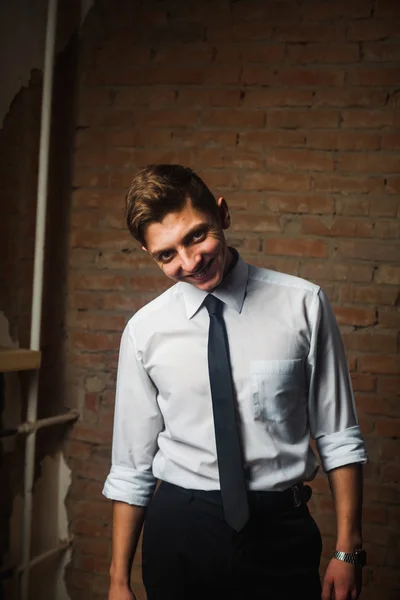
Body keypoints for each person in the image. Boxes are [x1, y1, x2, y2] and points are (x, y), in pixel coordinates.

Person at [103, 164, 368, 600]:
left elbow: (339, 436)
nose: (190, 262)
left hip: (279, 532)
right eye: (166, 255)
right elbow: (131, 466)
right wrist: (117, 581)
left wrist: (348, 549)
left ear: (223, 215)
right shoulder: (143, 331)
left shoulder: (304, 305)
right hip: (179, 533)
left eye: (196, 236)